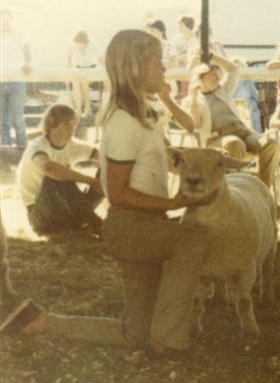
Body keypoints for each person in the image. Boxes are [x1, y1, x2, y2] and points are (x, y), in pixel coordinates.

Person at [1, 30, 216, 356]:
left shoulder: (142, 113)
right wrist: (175, 202)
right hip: (131, 228)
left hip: (144, 225)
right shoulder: (123, 121)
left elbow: (182, 134)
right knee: (192, 240)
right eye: (158, 62)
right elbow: (117, 194)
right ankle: (170, 339)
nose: (164, 68)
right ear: (136, 67)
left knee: (135, 334)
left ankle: (48, 322)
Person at [182, 52, 278, 189]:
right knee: (234, 143)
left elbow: (233, 69)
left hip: (243, 133)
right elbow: (195, 124)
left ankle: (262, 190)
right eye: (213, 75)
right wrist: (194, 96)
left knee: (270, 143)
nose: (217, 79)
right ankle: (239, 190)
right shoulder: (192, 100)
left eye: (218, 75)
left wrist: (211, 56)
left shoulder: (222, 91)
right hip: (218, 137)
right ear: (201, 78)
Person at [17, 103, 103, 237]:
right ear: (52, 125)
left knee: (108, 169)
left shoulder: (72, 145)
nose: (72, 129)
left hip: (67, 212)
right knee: (56, 175)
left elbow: (105, 157)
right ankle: (94, 222)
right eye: (66, 125)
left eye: (73, 125)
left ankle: (95, 218)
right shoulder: (37, 146)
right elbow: (49, 167)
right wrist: (91, 181)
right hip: (41, 216)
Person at [0, 9, 32, 148]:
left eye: (6, 19)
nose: (4, 22)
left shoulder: (19, 35)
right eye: (1, 19)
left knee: (18, 118)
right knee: (2, 120)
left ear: (10, 20)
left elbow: (27, 52)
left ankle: (22, 148)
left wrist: (28, 64)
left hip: (16, 81)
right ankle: (5, 150)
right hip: (0, 81)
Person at [67, 30, 102, 118]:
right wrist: (68, 76)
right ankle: (79, 108)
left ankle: (88, 108)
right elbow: (69, 61)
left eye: (82, 43)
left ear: (86, 42)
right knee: (76, 83)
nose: (80, 46)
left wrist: (106, 71)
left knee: (83, 81)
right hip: (79, 69)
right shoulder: (72, 46)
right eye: (78, 43)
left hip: (91, 69)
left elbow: (101, 58)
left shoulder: (93, 45)